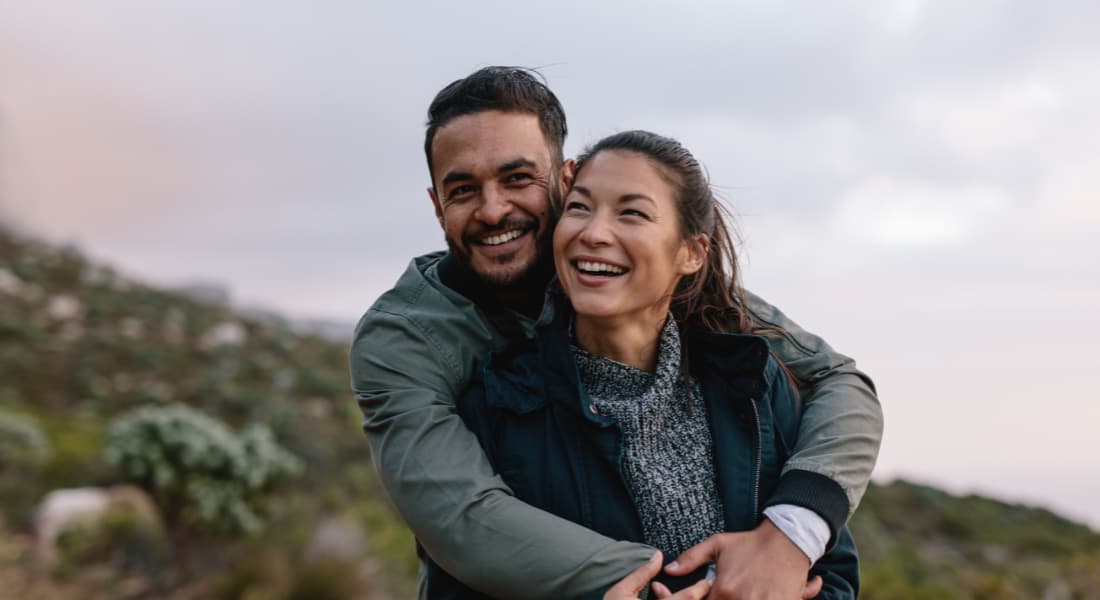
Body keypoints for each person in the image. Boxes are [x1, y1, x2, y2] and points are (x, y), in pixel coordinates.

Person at [350, 67, 882, 598]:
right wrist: (699, 584)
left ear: (564, 179)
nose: (493, 210)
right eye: (463, 189)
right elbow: (464, 521)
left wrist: (788, 536)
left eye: (517, 179)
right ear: (437, 204)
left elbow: (837, 380)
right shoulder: (407, 340)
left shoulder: (678, 313)